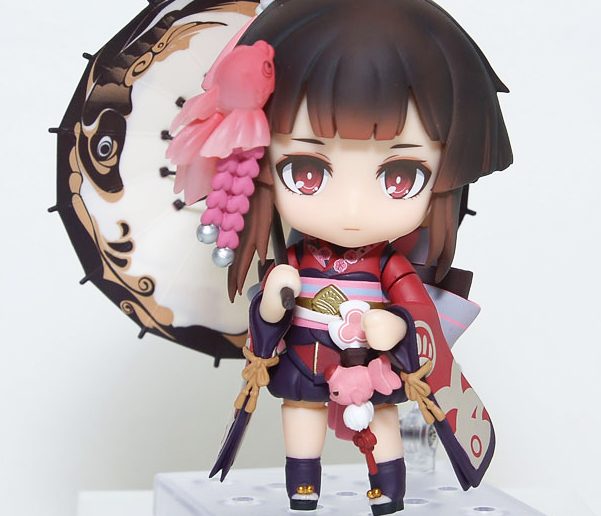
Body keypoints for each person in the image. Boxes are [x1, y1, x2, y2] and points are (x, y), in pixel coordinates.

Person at [168, 1, 513, 514]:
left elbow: (417, 314)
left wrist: (395, 328)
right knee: (300, 413)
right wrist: (272, 302)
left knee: (382, 418)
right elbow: (267, 319)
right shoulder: (294, 259)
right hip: (305, 356)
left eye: (400, 177)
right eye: (306, 171)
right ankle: (303, 488)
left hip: (367, 362)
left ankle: (387, 491)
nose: (352, 210)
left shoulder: (388, 267)